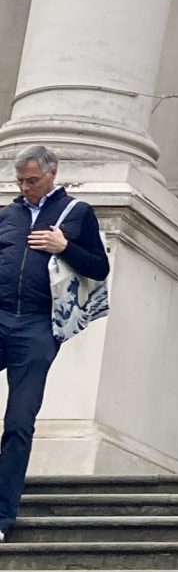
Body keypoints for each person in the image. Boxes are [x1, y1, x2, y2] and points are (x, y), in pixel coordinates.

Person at [0, 146, 109, 543]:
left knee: (18, 422)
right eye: (19, 181)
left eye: (31, 180)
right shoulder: (7, 215)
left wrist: (66, 248)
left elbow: (100, 267)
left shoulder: (76, 213)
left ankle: (2, 516)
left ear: (52, 174)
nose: (24, 188)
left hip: (37, 327)